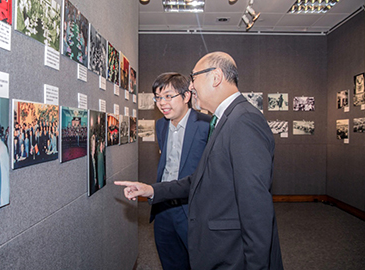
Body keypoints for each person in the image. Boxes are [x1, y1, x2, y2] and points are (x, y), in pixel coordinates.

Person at [115, 52, 284, 269]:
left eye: (194, 78)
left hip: (232, 250)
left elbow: (256, 207)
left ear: (215, 77)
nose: (192, 87)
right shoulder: (227, 119)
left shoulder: (243, 120)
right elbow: (202, 178)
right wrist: (152, 190)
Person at [147, 72, 210, 270]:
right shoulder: (161, 125)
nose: (162, 103)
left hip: (192, 210)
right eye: (158, 97)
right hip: (164, 208)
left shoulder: (206, 125)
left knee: (200, 263)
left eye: (168, 96)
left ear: (186, 96)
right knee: (171, 262)